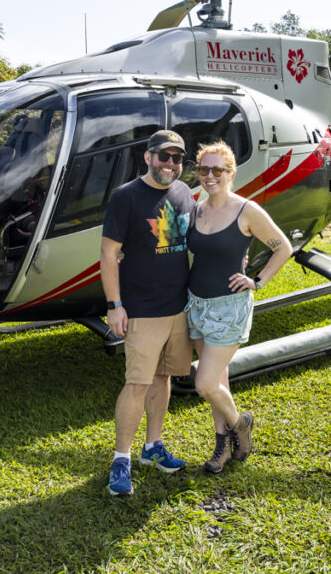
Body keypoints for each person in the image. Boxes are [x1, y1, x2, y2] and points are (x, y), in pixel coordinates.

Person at [186, 140, 292, 473]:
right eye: (204, 170)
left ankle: (240, 424)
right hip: (196, 305)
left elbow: (283, 247)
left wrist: (257, 281)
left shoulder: (247, 210)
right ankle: (223, 448)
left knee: (204, 384)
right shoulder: (197, 209)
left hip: (229, 307)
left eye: (218, 170)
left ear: (231, 173)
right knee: (220, 381)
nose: (210, 176)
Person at [100, 129, 195, 497]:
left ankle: (152, 448)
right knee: (137, 384)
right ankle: (121, 459)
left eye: (177, 159)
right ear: (148, 156)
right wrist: (115, 305)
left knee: (163, 378)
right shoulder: (125, 197)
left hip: (179, 307)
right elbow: (109, 254)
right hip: (141, 309)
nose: (170, 165)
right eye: (164, 157)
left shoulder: (184, 192)